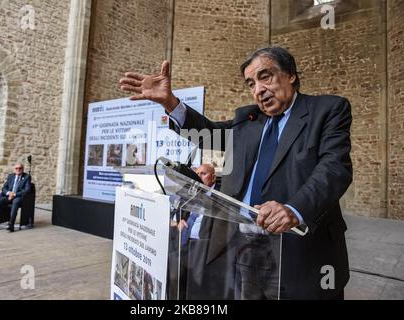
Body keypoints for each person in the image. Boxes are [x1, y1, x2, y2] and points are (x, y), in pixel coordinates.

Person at [120, 46, 352, 299]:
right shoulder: (249, 119)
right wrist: (171, 103)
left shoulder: (328, 110)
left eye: (266, 76)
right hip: (245, 249)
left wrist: (294, 209)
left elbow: (334, 168)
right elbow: (208, 135)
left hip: (303, 250)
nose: (258, 90)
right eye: (251, 83)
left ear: (290, 75)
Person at [0, 163, 32, 232]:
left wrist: (14, 194)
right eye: (16, 168)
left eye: (20, 168)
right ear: (14, 169)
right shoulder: (11, 176)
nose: (18, 170)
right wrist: (9, 193)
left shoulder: (27, 177)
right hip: (8, 196)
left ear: (23, 169)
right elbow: (4, 187)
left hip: (18, 196)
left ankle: (11, 224)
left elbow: (27, 190)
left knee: (15, 202)